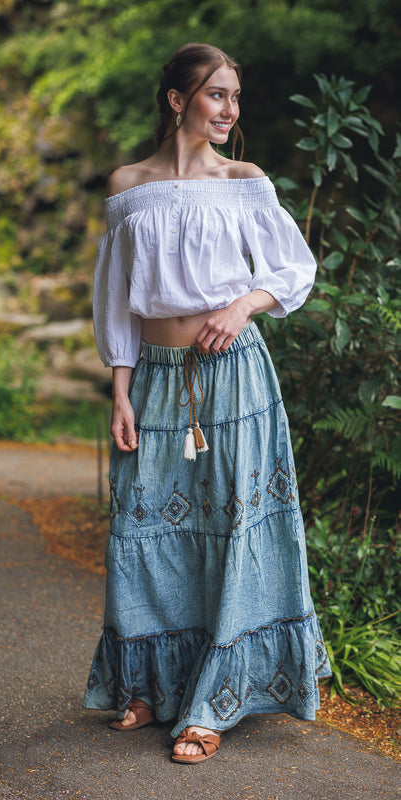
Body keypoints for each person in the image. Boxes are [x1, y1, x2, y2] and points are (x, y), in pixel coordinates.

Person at [83, 42, 331, 764]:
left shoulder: (244, 181)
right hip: (157, 378)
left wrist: (245, 306)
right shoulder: (128, 186)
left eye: (232, 97)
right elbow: (115, 303)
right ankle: (147, 686)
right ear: (176, 99)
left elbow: (293, 269)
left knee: (233, 528)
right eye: (215, 95)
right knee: (141, 529)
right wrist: (120, 391)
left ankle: (212, 702)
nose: (229, 110)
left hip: (234, 377)